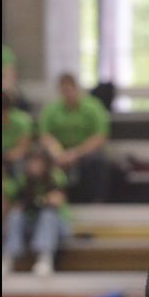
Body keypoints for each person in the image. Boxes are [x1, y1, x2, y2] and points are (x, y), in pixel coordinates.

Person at [38, 72, 111, 202]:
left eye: (69, 90)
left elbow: (99, 137)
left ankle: (94, 201)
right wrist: (57, 152)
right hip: (60, 151)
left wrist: (76, 153)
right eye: (63, 91)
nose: (67, 94)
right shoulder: (51, 109)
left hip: (85, 151)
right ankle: (47, 198)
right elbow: (45, 135)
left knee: (98, 161)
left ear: (76, 89)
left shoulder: (94, 107)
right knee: (40, 160)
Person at [2, 146, 70, 277]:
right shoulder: (22, 178)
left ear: (46, 163)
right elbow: (14, 201)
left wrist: (38, 202)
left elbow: (56, 200)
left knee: (48, 214)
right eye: (32, 162)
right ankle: (8, 258)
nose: (35, 166)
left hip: (57, 225)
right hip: (31, 224)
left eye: (38, 162)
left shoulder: (56, 176)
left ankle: (44, 258)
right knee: (15, 216)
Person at [1, 90, 35, 175]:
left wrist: (6, 156)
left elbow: (23, 148)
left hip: (17, 156)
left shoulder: (22, 120)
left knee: (19, 164)